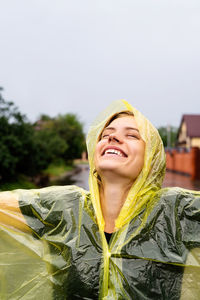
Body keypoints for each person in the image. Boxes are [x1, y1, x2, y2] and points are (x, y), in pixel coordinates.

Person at [0, 99, 200, 300]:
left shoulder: (176, 211)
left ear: (152, 159)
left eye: (131, 135)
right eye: (105, 135)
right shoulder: (65, 207)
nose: (113, 137)